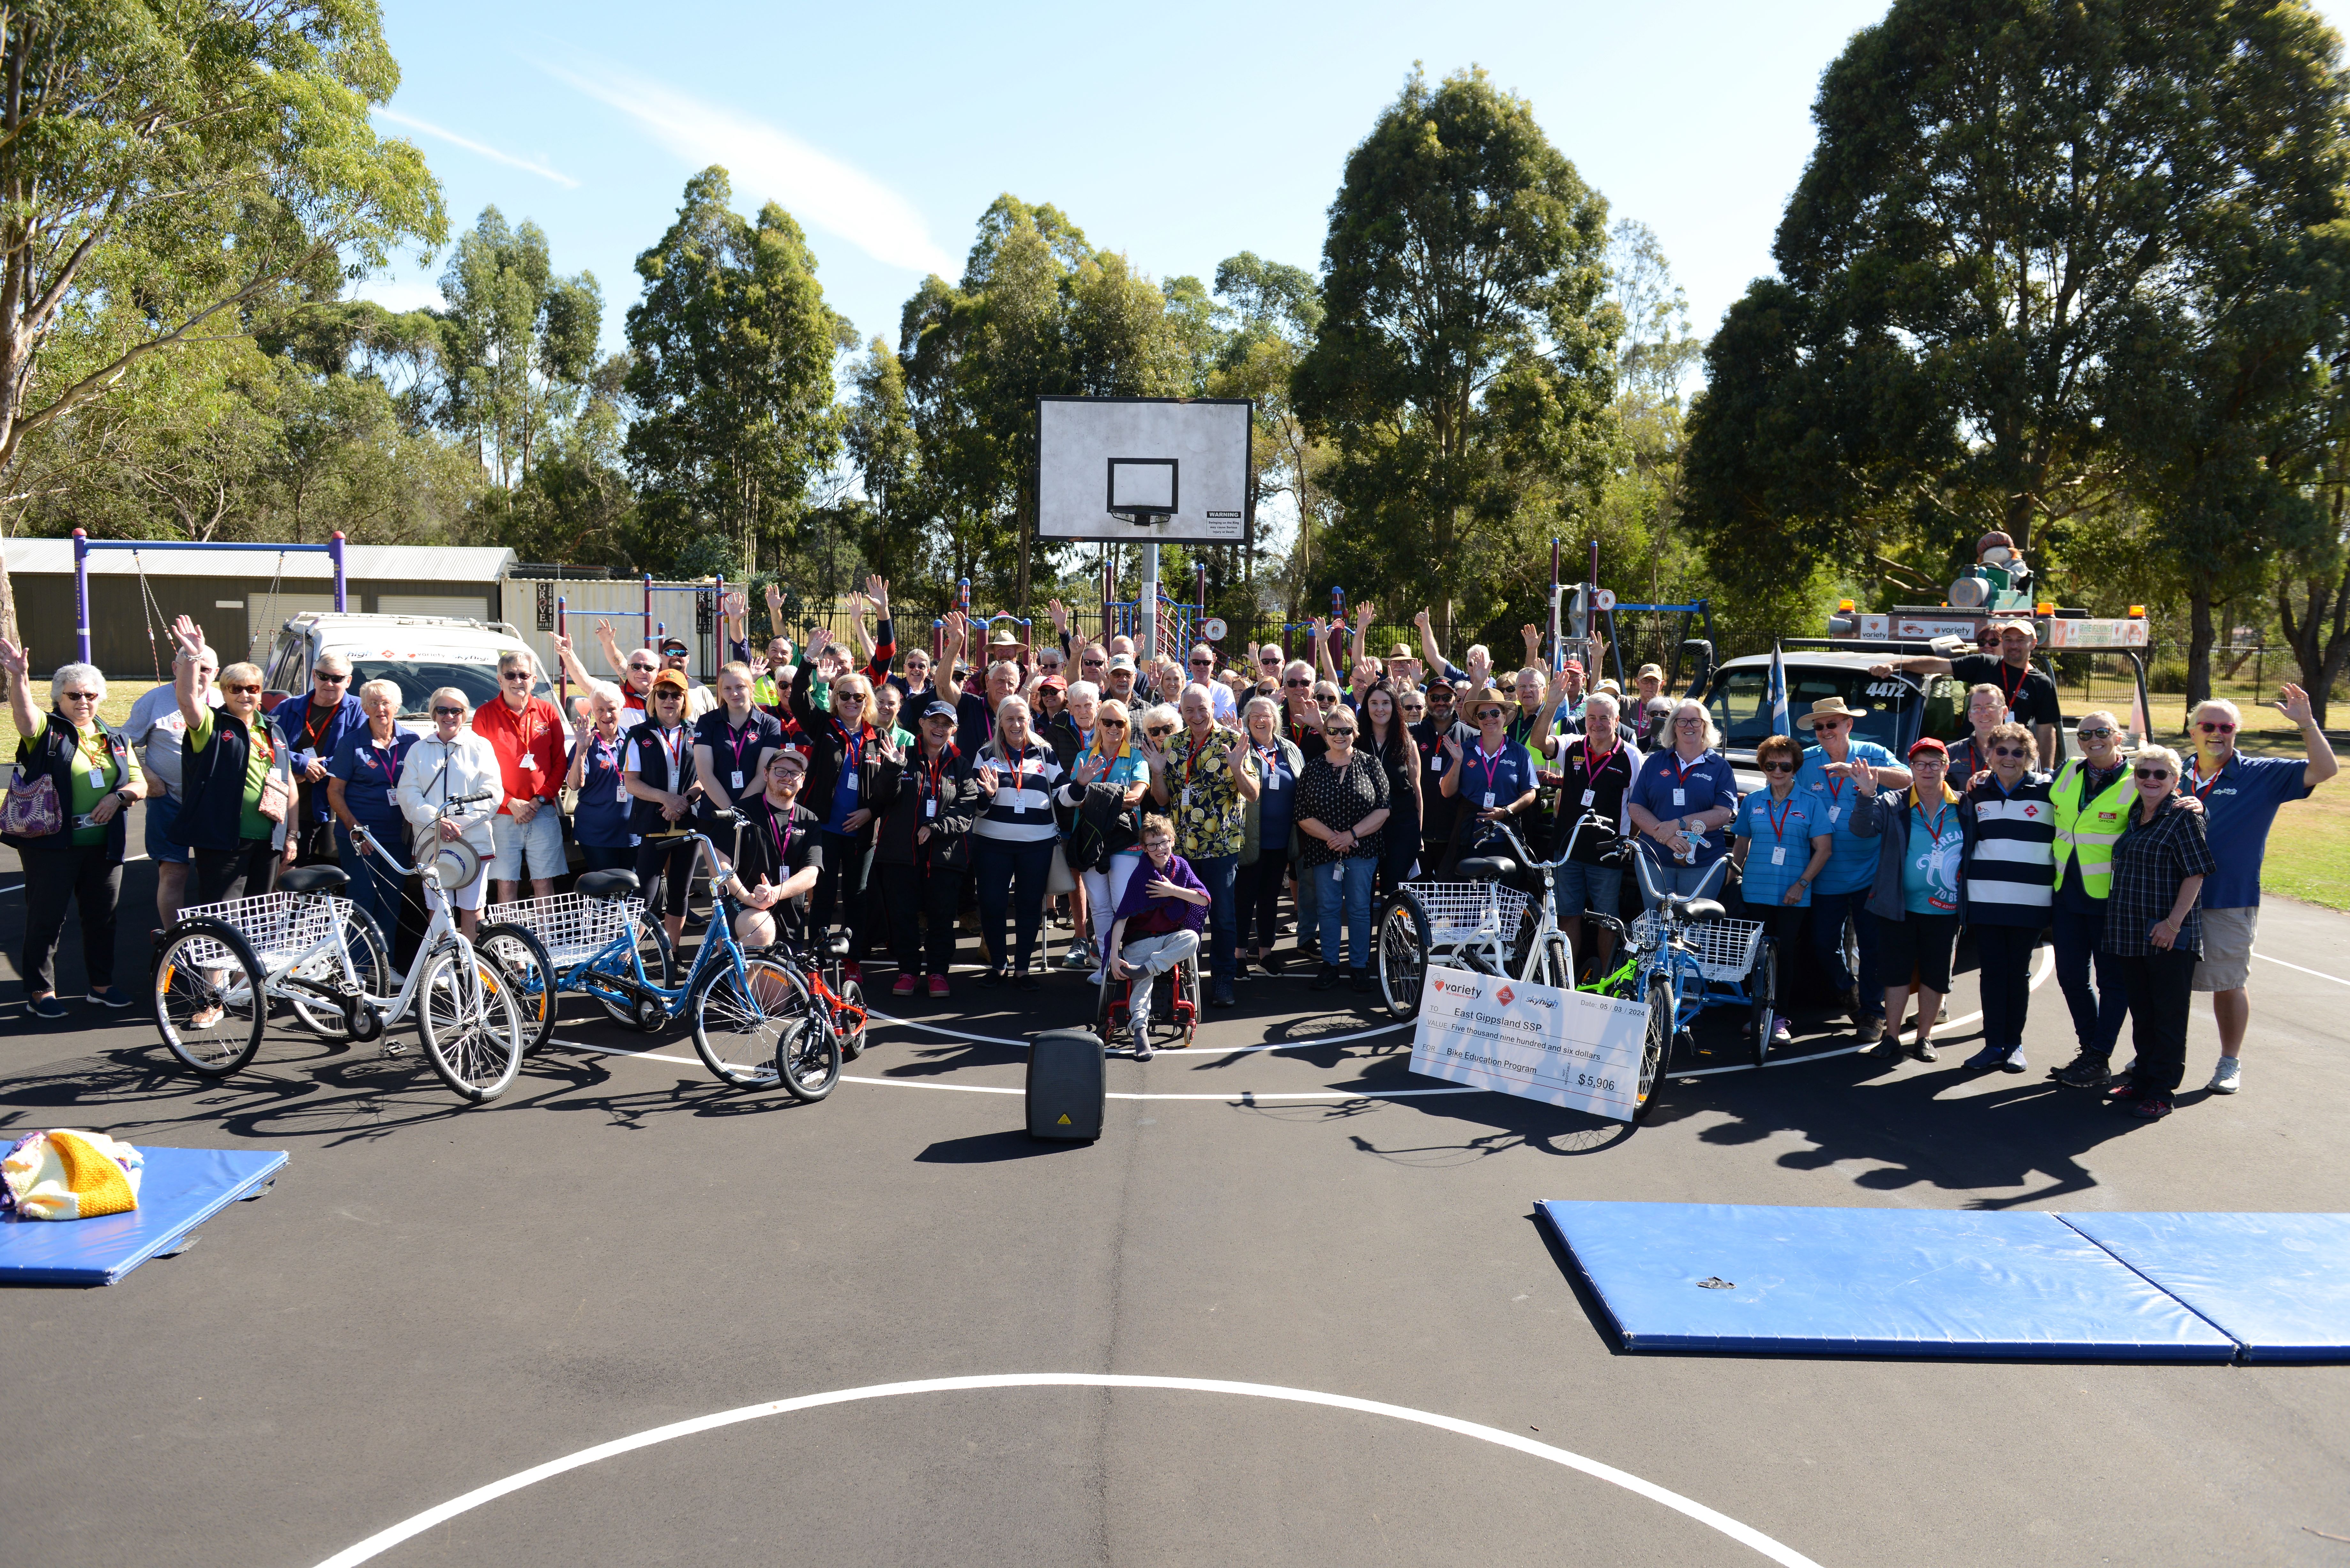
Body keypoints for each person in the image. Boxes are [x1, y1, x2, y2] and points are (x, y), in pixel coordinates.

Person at [2175, 688, 2336, 1093]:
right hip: (2166, 898)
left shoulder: (2261, 774)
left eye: (2226, 727)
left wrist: (2306, 723)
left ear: (2235, 733)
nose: (2217, 733)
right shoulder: (2168, 771)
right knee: (2164, 984)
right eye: (2208, 726)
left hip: (2227, 898)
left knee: (2227, 983)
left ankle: (2229, 1062)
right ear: (2193, 730)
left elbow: (2325, 770)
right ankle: (2158, 1054)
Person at [0, 644, 144, 1015]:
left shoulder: (114, 737)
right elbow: (23, 714)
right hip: (52, 845)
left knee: (103, 919)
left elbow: (140, 782)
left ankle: (101, 986)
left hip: (103, 846)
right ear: (59, 698)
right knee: (46, 919)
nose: (83, 701)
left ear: (101, 698)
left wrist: (119, 797)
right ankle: (40, 993)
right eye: (74, 695)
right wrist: (19, 676)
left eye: (91, 695)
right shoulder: (47, 731)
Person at [2098, 745, 2216, 1120]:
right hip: (2132, 933)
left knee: (2168, 1016)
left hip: (2168, 935)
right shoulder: (2136, 813)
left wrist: (2173, 923)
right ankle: (2144, 1079)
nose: (2150, 780)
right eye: (2143, 773)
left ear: (2175, 781)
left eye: (2160, 775)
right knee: (2143, 1013)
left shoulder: (2183, 817)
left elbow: (2195, 873)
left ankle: (2162, 1092)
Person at [1794, 695, 1910, 1044]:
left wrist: (1861, 774)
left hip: (1870, 871)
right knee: (1822, 944)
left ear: (1848, 725)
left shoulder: (1871, 754)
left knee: (1873, 946)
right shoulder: (1806, 761)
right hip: (1825, 871)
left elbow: (1907, 779)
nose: (1825, 731)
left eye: (1832, 724)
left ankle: (1872, 1014)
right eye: (1819, 726)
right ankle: (1850, 995)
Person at [1850, 738, 1969, 1062]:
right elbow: (1862, 829)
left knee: (1935, 975)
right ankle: (1891, 1037)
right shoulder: (1893, 802)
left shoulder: (1965, 805)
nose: (1927, 770)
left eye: (1935, 763)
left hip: (1945, 910)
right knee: (1896, 974)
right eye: (1920, 764)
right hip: (1897, 907)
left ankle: (1924, 1038)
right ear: (1911, 767)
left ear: (1947, 767)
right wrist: (1865, 795)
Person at [163, 616, 293, 906]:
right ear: (223, 692)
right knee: (224, 917)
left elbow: (288, 784)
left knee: (259, 917)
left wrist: (292, 835)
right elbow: (186, 699)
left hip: (268, 842)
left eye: (252, 689)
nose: (245, 695)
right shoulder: (212, 723)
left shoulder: (273, 730)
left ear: (261, 693)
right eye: (236, 689)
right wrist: (193, 657)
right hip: (223, 842)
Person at [2045, 710, 2145, 1086]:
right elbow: (2040, 793)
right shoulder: (2069, 770)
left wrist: (2191, 804)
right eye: (2085, 734)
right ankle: (2091, 1051)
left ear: (2118, 737)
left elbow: (2164, 805)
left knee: (2112, 983)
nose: (2092, 739)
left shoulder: (2138, 779)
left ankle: (2098, 1054)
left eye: (2102, 732)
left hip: (2110, 901)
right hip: (2066, 894)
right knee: (2071, 976)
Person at [1950, 720, 2055, 1072]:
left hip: (2031, 901)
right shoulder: (1976, 792)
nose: (2009, 758)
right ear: (1988, 754)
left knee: (2017, 973)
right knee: (1993, 973)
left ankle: (2014, 1045)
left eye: (2018, 752)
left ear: (2030, 757)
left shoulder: (2050, 790)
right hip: (1986, 900)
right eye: (2002, 751)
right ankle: (1993, 1044)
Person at [1147, 683, 1259, 1006]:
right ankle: (1178, 980)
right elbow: (1163, 798)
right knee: (1179, 918)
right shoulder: (1172, 744)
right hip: (1181, 852)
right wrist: (1157, 773)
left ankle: (1223, 981)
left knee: (1223, 919)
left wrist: (1237, 767)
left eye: (1202, 709)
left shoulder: (1231, 741)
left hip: (1220, 850)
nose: (1196, 716)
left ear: (1212, 706)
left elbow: (1253, 794)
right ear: (1180, 711)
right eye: (1189, 710)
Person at [1729, 733, 1831, 1047]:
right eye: (1771, 764)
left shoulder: (1811, 803)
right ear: (1763, 766)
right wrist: (1734, 877)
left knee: (1784, 955)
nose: (1777, 771)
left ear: (1795, 768)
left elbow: (1824, 849)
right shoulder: (1754, 802)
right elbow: (1741, 843)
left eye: (1784, 766)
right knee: (1754, 957)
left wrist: (1801, 885)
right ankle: (1758, 1014)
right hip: (1755, 891)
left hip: (1792, 894)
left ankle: (1780, 1018)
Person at [872, 700, 979, 996]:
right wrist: (893, 768)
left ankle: (937, 973)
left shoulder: (962, 764)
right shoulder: (901, 755)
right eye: (935, 722)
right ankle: (907, 971)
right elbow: (883, 798)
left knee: (942, 918)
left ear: (954, 730)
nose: (939, 729)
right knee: (903, 917)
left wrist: (935, 827)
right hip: (900, 855)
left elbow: (966, 809)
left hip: (945, 858)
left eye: (946, 724)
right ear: (922, 723)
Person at [119, 635, 222, 927]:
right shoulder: (153, 701)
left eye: (206, 669)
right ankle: (173, 939)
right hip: (169, 801)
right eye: (192, 665)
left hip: (212, 804)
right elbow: (122, 745)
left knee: (216, 874)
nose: (200, 674)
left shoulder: (225, 700)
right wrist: (148, 777)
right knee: (174, 873)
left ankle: (217, 942)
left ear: (216, 673)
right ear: (175, 667)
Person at [791, 663, 886, 978]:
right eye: (844, 695)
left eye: (858, 697)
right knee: (823, 895)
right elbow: (797, 698)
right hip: (826, 828)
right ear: (835, 698)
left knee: (857, 898)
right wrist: (809, 660)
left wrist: (870, 811)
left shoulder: (878, 737)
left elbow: (890, 788)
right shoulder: (824, 726)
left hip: (862, 833)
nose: (851, 702)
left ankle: (852, 960)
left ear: (866, 700)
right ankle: (816, 960)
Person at [969, 695, 1066, 990]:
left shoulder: (1045, 752)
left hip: (1037, 844)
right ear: (1000, 721)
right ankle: (999, 965)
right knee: (992, 903)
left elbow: (1062, 797)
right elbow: (975, 806)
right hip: (991, 843)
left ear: (1030, 720)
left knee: (1029, 905)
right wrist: (987, 795)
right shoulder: (986, 753)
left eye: (1021, 718)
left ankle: (1022, 969)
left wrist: (1080, 786)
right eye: (1009, 719)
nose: (1016, 724)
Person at [1873, 618, 2061, 766]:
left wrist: (2047, 772)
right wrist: (1895, 664)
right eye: (2009, 640)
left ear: (2033, 643)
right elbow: (1938, 665)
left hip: (2013, 758)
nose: (2014, 645)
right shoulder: (1984, 663)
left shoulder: (2042, 683)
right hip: (1971, 754)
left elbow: (2046, 732)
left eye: (2021, 640)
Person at [1296, 703, 1390, 991]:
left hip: (1362, 850)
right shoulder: (1312, 768)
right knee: (1328, 908)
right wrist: (1333, 838)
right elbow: (1302, 815)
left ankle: (1360, 967)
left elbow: (1384, 810)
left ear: (1355, 732)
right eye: (1333, 730)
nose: (1340, 736)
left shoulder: (1371, 764)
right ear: (1326, 734)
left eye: (1346, 730)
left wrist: (1351, 835)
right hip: (1324, 851)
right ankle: (1330, 966)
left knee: (1361, 910)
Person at [394, 685, 501, 938]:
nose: (449, 716)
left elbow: (493, 793)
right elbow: (408, 796)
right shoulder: (418, 750)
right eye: (442, 710)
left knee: (473, 911)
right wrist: (438, 822)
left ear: (465, 715)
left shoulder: (481, 747)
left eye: (456, 710)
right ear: (433, 714)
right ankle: (440, 973)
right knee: (438, 911)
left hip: (473, 843)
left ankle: (474, 970)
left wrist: (458, 825)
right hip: (432, 845)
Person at [1058, 697, 1151, 983]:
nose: (1113, 727)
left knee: (1122, 902)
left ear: (1126, 727)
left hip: (1125, 840)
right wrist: (1107, 796)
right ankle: (1105, 965)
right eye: (1107, 722)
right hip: (1090, 839)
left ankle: (1127, 962)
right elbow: (1076, 799)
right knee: (1099, 905)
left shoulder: (1136, 757)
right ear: (1098, 724)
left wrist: (1096, 793)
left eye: (1120, 723)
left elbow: (1137, 796)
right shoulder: (1084, 757)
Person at [1105, 814, 1212, 1060]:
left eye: (1164, 842)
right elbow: (1121, 918)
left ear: (1172, 841)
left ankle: (1147, 968)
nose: (1159, 849)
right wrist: (1113, 956)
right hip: (1140, 940)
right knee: (1142, 981)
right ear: (1144, 848)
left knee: (1192, 939)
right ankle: (1140, 1030)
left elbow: (1204, 899)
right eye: (1152, 845)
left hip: (1169, 940)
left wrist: (1172, 890)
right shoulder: (1141, 875)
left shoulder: (1181, 868)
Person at [326, 678, 417, 948]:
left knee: (391, 900)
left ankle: (386, 967)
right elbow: (334, 792)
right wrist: (355, 829)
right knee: (363, 900)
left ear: (397, 706)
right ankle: (360, 967)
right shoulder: (351, 743)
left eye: (386, 702)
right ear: (364, 708)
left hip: (396, 838)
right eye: (373, 703)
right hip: (360, 838)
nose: (381, 708)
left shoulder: (412, 741)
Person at [473, 650, 565, 906]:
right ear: (500, 680)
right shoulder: (484, 714)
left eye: (524, 675)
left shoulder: (549, 712)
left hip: (543, 812)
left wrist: (538, 800)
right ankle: (508, 945)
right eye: (510, 675)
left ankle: (545, 943)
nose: (518, 680)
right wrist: (511, 802)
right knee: (506, 884)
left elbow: (560, 763)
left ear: (534, 680)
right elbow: (478, 770)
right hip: (503, 813)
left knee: (545, 883)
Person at [1626, 699, 1740, 902]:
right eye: (1682, 721)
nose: (1689, 726)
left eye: (1695, 721)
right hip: (1654, 859)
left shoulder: (1720, 767)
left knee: (1694, 929)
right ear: (1673, 726)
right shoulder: (1655, 761)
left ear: (1705, 726)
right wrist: (1666, 837)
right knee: (1656, 925)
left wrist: (1679, 824)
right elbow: (1636, 807)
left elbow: (1724, 814)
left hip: (1703, 863)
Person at [622, 669, 702, 950]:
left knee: (680, 892)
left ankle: (672, 955)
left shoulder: (698, 733)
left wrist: (685, 801)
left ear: (684, 700)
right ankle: (630, 960)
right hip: (653, 823)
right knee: (644, 896)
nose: (669, 700)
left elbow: (705, 776)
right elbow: (631, 782)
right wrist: (666, 800)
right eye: (663, 694)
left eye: (676, 695)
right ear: (654, 698)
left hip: (688, 822)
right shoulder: (638, 734)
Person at [717, 748, 825, 950]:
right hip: (743, 906)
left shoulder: (809, 820)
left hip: (789, 916)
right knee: (761, 931)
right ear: (766, 774)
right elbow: (721, 863)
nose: (788, 778)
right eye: (781, 771)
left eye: (796, 773)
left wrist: (776, 893)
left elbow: (811, 874)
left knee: (782, 981)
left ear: (803, 781)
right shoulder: (740, 812)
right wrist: (746, 896)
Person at [269, 652, 364, 865]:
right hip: (294, 807)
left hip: (340, 807)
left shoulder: (360, 710)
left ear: (348, 681)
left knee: (334, 874)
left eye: (337, 678)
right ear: (314, 675)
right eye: (323, 676)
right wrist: (302, 764)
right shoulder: (289, 707)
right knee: (289, 869)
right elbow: (267, 743)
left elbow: (360, 753)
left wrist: (317, 771)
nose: (329, 683)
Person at [1236, 696, 1305, 973]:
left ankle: (1265, 954)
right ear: (1247, 720)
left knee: (1270, 899)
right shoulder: (1240, 747)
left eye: (1266, 715)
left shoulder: (1289, 749)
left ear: (1275, 720)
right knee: (1243, 899)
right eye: (1255, 715)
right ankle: (1239, 955)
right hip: (1248, 840)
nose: (1261, 720)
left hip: (1281, 841)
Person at [563, 687, 638, 875]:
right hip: (597, 834)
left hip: (633, 833)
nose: (607, 715)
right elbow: (574, 785)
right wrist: (582, 749)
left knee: (632, 892)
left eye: (612, 709)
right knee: (606, 891)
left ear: (622, 710)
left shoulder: (634, 739)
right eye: (600, 710)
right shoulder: (587, 742)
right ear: (593, 712)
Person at [693, 661, 783, 818]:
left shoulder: (770, 724)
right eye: (727, 689)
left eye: (740, 687)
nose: (734, 693)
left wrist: (739, 812)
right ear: (721, 691)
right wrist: (730, 813)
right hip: (715, 813)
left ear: (752, 688)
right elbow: (705, 774)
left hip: (754, 814)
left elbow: (763, 774)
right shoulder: (707, 722)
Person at [1360, 682, 1423, 890]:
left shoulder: (1407, 742)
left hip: (1402, 827)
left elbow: (1416, 789)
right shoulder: (1357, 741)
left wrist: (1419, 834)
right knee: (1362, 893)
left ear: (1394, 706)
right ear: (1366, 706)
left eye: (1386, 703)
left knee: (1394, 890)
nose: (1380, 709)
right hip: (1364, 828)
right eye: (1374, 703)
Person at [1944, 683, 2009, 783]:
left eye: (1991, 707)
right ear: (1970, 715)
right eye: (1977, 708)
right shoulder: (1951, 753)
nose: (1984, 713)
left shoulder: (2021, 753)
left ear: (2005, 712)